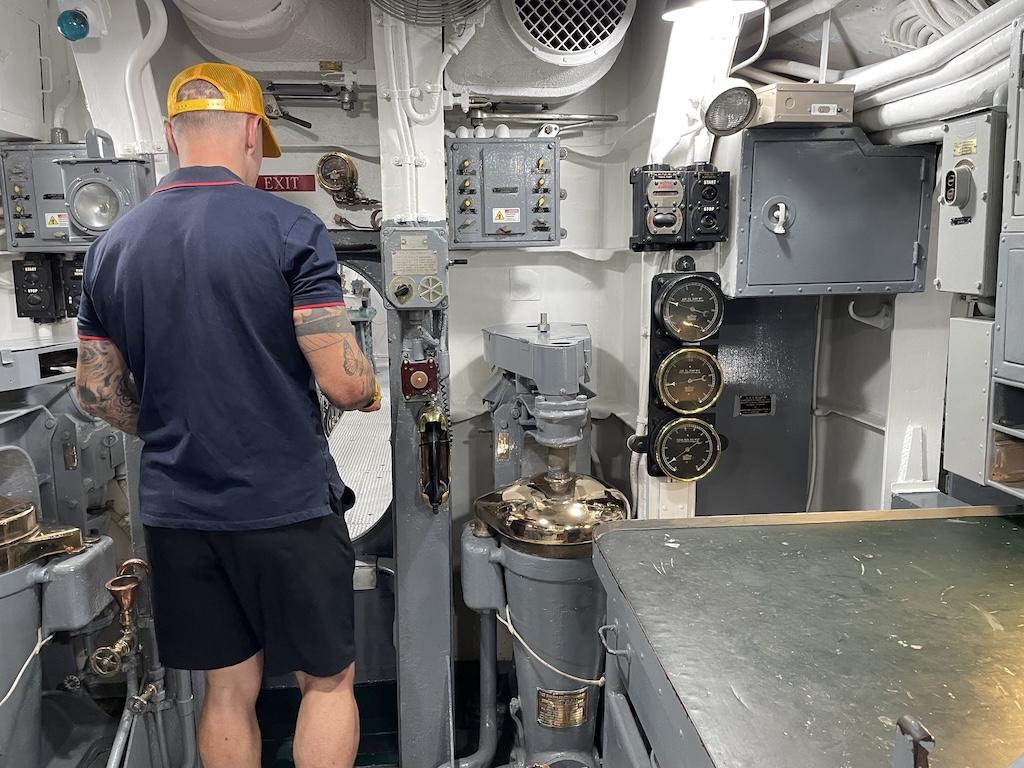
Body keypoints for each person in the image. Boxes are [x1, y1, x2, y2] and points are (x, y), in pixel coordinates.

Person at [74, 62, 378, 768]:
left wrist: (171, 427)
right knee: (326, 684)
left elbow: (96, 394)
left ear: (170, 135)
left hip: (181, 511)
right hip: (287, 507)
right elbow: (342, 383)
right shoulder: (291, 228)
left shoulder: (110, 247)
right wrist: (369, 390)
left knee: (225, 689)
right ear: (251, 131)